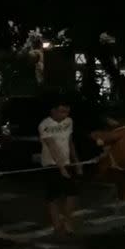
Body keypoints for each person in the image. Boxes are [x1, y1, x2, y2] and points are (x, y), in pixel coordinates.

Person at [39, 97, 81, 235]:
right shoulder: (45, 125)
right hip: (51, 164)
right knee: (53, 196)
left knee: (72, 193)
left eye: (67, 112)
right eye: (62, 112)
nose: (65, 115)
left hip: (67, 162)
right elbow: (52, 147)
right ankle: (57, 225)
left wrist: (76, 162)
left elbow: (70, 142)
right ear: (53, 111)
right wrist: (61, 168)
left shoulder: (69, 122)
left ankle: (67, 221)